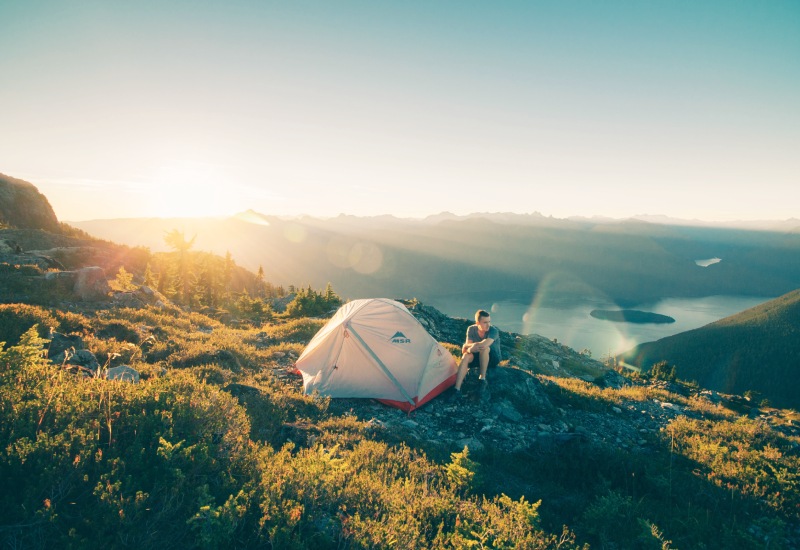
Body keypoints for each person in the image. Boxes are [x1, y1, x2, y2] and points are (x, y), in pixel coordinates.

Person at [452, 309, 501, 398]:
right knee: (466, 356)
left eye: (489, 321)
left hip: (493, 358)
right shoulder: (471, 329)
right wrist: (470, 348)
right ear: (478, 323)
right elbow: (466, 350)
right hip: (478, 357)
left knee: (484, 349)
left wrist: (470, 346)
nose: (488, 325)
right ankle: (457, 389)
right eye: (485, 322)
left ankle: (482, 379)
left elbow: (484, 345)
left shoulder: (493, 330)